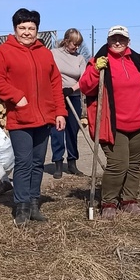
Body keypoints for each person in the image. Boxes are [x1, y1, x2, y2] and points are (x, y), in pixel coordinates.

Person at [0, 8, 66, 226]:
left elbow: (55, 84)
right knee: (23, 162)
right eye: (22, 28)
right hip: (20, 117)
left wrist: (59, 111)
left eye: (31, 28)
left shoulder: (45, 53)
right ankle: (20, 207)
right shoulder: (4, 51)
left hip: (44, 117)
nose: (27, 32)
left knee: (38, 163)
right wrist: (16, 96)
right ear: (15, 29)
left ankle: (33, 204)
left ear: (37, 30)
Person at [78, 25, 140, 219]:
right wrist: (96, 71)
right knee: (118, 164)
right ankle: (108, 203)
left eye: (121, 39)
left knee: (133, 165)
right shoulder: (99, 62)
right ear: (108, 41)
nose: (117, 42)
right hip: (113, 125)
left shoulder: (139, 61)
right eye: (114, 39)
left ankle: (129, 201)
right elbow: (85, 87)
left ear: (128, 42)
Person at [48, 27, 87, 178]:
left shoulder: (80, 58)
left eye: (78, 44)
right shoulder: (53, 54)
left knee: (72, 130)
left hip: (73, 96)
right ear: (66, 41)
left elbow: (84, 79)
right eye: (74, 44)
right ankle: (58, 163)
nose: (76, 47)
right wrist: (58, 90)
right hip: (56, 96)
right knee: (57, 130)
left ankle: (72, 163)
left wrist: (71, 89)